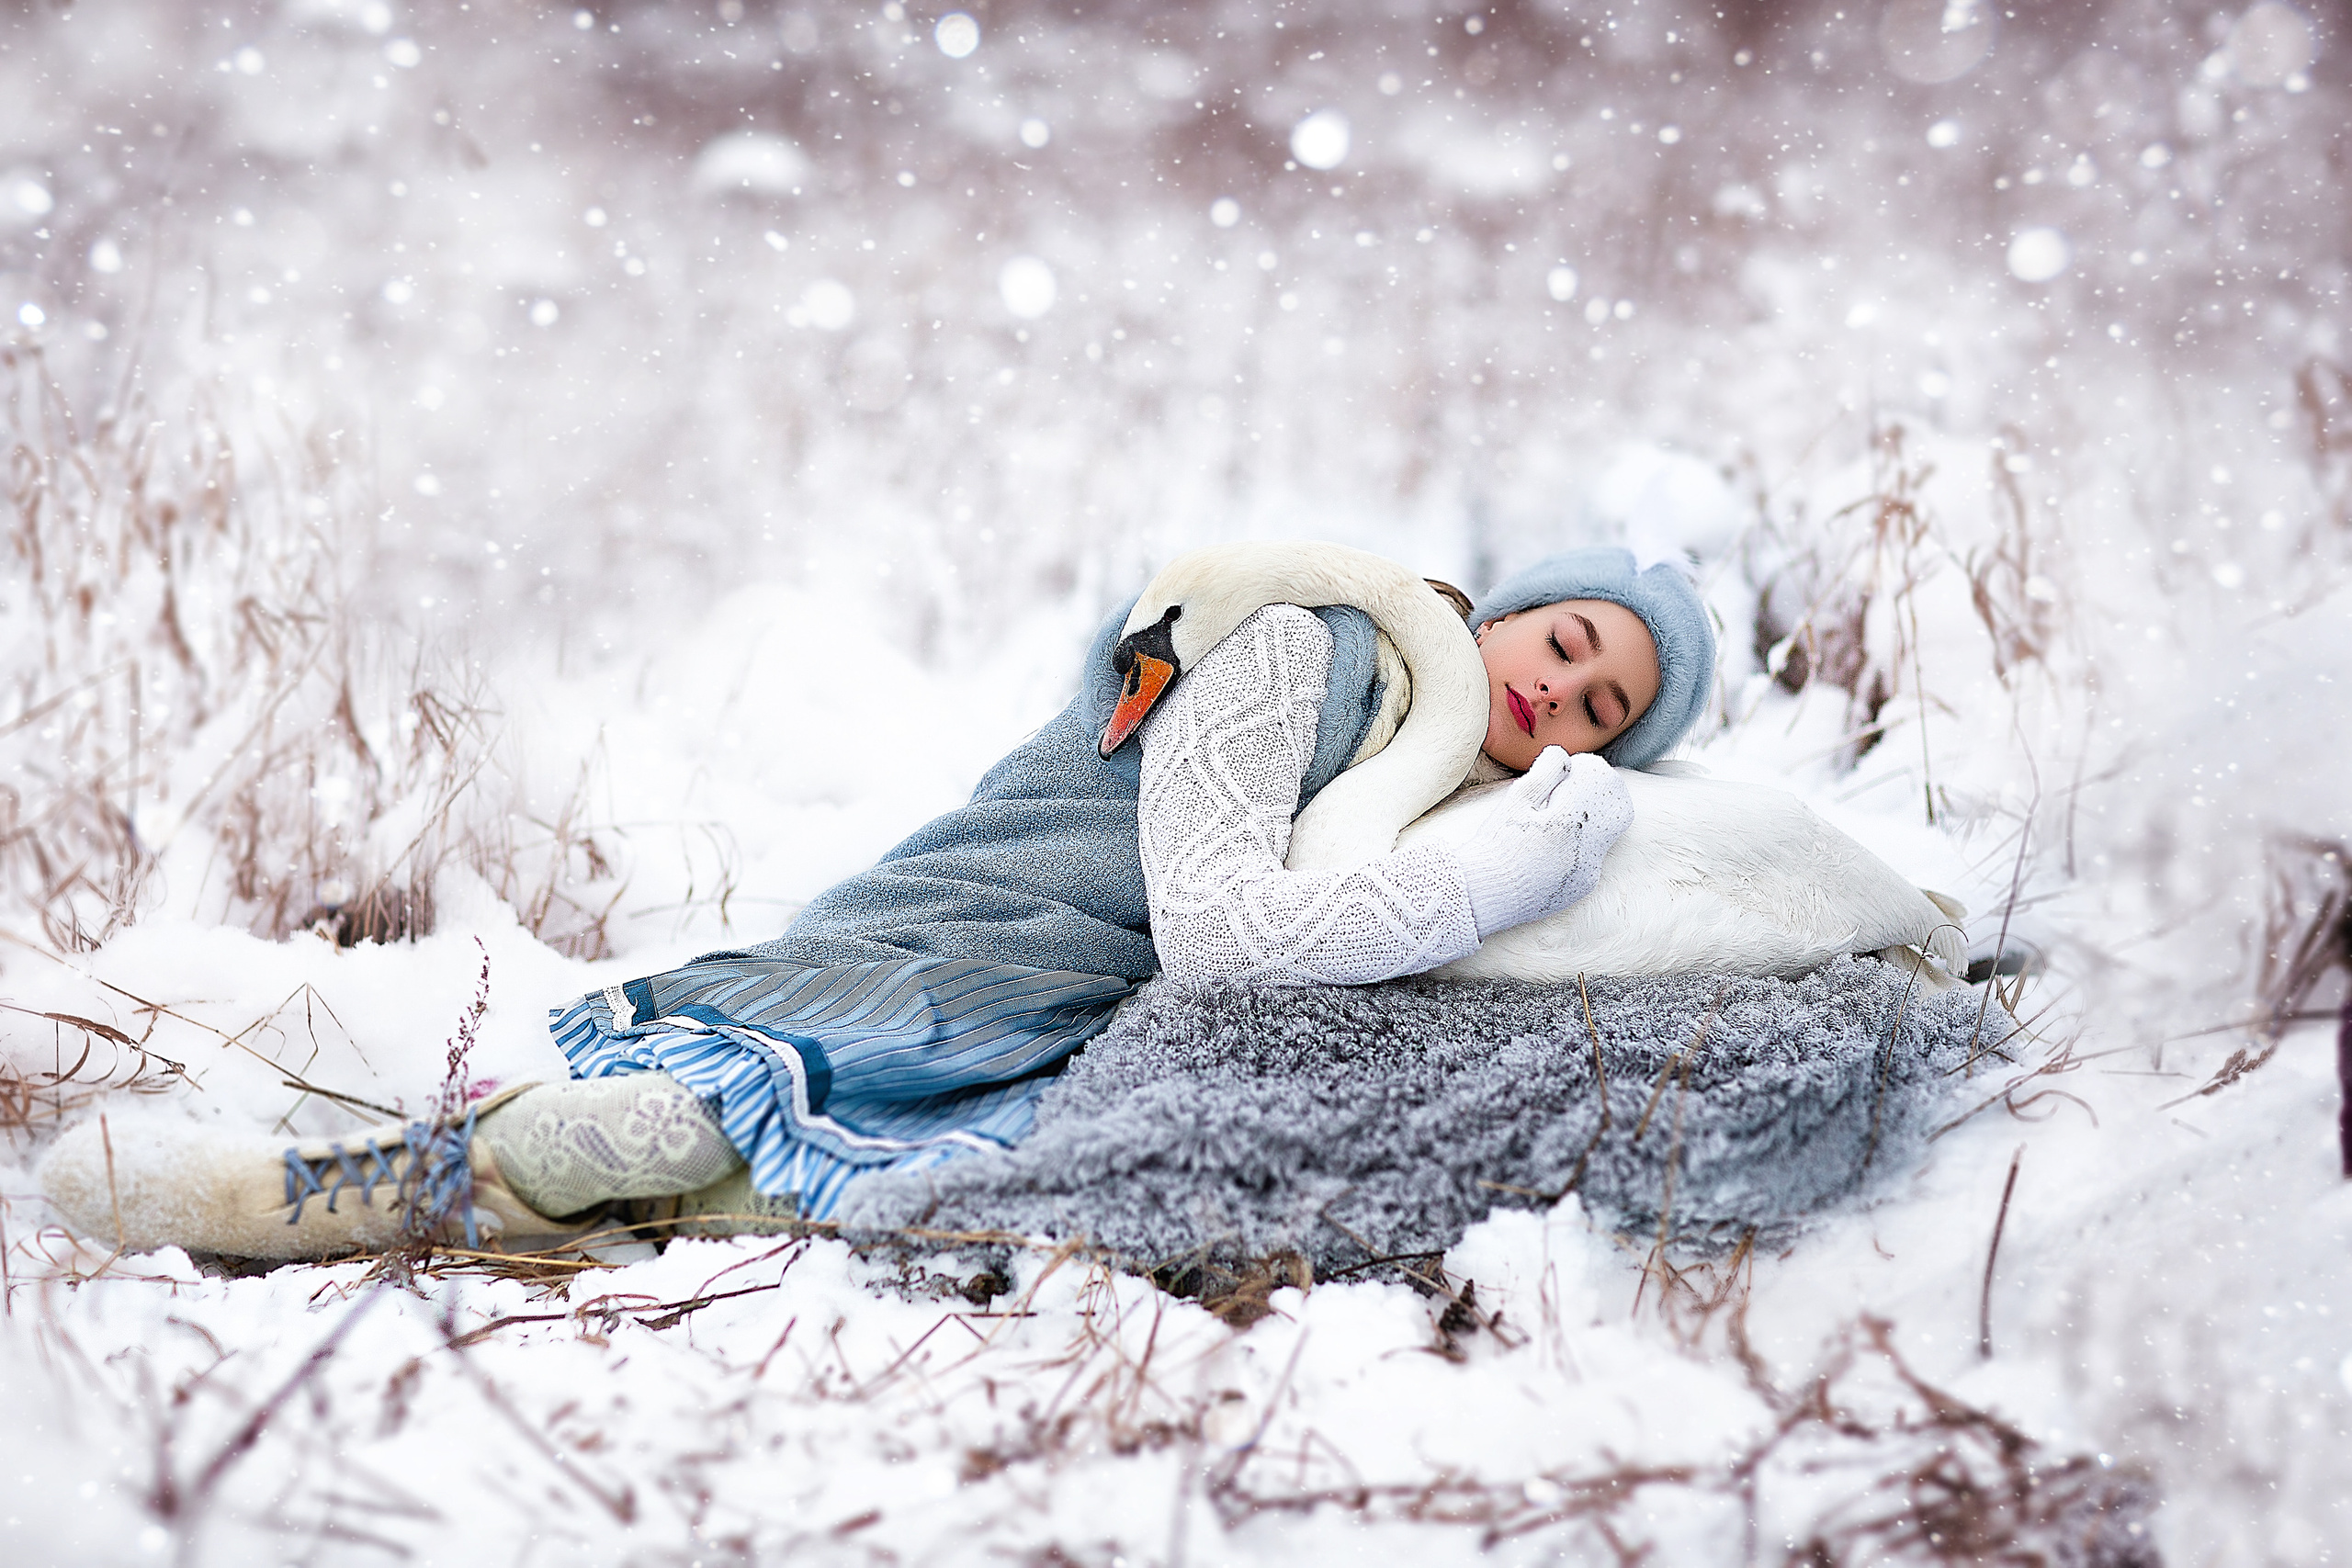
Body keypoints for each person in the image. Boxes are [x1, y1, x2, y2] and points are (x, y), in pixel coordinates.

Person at [39, 546, 1715, 1260]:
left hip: (1076, 1033)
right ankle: (287, 1184)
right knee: (639, 1138)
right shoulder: (1314, 648)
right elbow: (1225, 933)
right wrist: (1497, 869)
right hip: (967, 953)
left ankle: (468, 1191)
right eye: (1566, 647)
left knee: (817, 1204)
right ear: (1510, 612)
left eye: (1602, 712)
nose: (1558, 703)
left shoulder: (1435, 790)